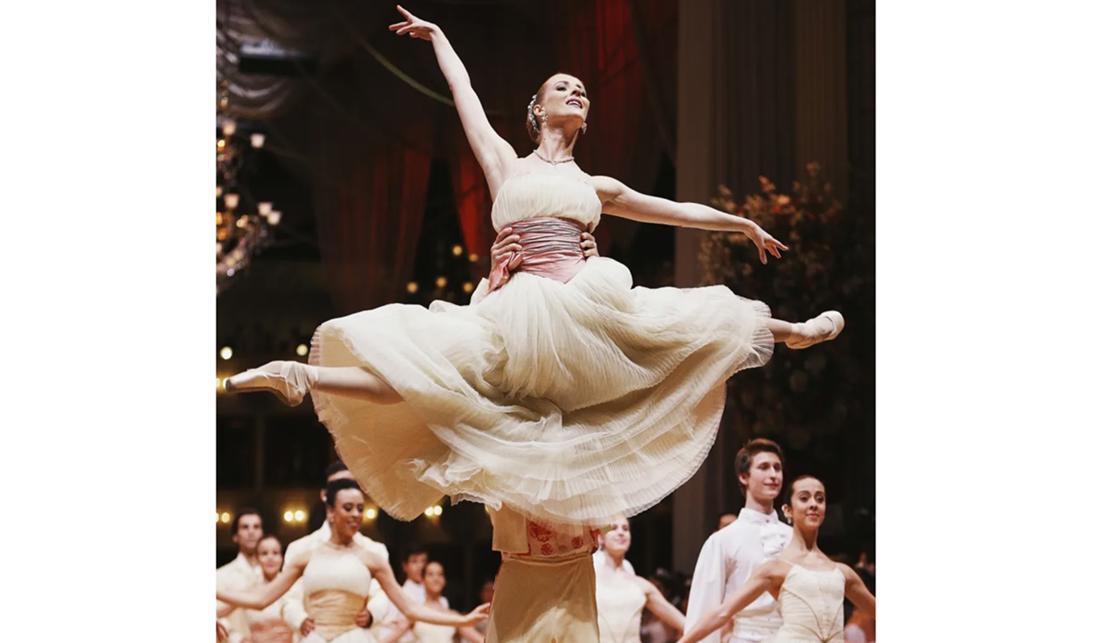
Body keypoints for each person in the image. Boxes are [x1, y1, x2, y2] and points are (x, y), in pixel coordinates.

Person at [224, 3, 844, 529]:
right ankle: (299, 374)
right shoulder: (505, 165)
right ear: (537, 110)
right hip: (516, 309)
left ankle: (793, 332)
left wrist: (739, 222)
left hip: (584, 303)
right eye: (562, 87)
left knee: (699, 312)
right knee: (426, 374)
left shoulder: (595, 184)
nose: (576, 91)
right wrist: (440, 39)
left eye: (583, 89)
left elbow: (674, 210)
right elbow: (463, 96)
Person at [217, 479, 490, 643]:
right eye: (348, 508)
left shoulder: (372, 556)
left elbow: (410, 608)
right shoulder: (305, 553)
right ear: (331, 513)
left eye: (360, 508)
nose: (356, 514)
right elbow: (263, 598)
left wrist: (464, 620)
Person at [678, 476, 876, 643]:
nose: (813, 504)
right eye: (804, 498)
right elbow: (722, 613)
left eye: (820, 498)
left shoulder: (842, 572)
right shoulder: (775, 569)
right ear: (788, 510)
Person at [685, 439, 793, 643]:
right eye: (764, 467)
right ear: (744, 476)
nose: (773, 475)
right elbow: (705, 608)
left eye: (777, 468)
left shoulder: (792, 537)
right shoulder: (723, 540)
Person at [282, 461, 389, 639]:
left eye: (352, 485)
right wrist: (300, 619)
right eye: (339, 486)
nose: (347, 490)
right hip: (314, 634)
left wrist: (371, 613)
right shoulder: (300, 548)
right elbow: (286, 598)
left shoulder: (374, 550)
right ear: (326, 496)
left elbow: (383, 594)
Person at [595, 517, 685, 642]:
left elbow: (685, 624)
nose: (621, 532)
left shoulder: (640, 585)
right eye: (614, 528)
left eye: (625, 529)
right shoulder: (589, 579)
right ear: (600, 538)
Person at [384, 561, 485, 643]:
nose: (436, 578)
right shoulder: (415, 613)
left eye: (440, 574)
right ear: (422, 580)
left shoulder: (453, 615)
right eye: (430, 574)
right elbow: (391, 638)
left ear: (444, 580)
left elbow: (480, 640)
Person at [217, 508, 265, 643]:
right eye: (245, 527)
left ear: (262, 533)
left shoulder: (275, 574)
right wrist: (237, 639)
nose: (251, 531)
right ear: (235, 536)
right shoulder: (221, 575)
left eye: (256, 527)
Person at [371, 545, 435, 642]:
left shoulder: (437, 595)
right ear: (405, 566)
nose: (420, 566)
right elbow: (389, 628)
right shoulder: (398, 595)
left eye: (423, 561)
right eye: (414, 561)